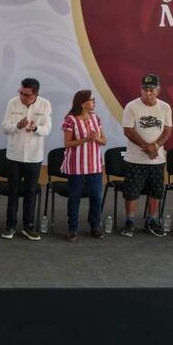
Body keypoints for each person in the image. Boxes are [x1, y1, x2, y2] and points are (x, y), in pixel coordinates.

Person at [121, 73, 172, 237]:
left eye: (151, 89)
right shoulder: (131, 106)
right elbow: (128, 130)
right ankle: (129, 221)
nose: (147, 93)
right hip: (135, 158)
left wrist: (155, 145)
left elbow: (167, 130)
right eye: (144, 89)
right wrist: (146, 146)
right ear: (140, 89)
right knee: (132, 192)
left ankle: (151, 220)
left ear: (158, 90)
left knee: (155, 191)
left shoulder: (165, 107)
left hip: (157, 159)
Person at [1, 77, 51, 240]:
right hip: (14, 155)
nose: (22, 97)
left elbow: (47, 128)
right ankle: (10, 225)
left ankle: (28, 226)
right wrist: (17, 126)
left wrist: (36, 127)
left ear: (35, 94)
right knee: (13, 192)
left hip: (34, 156)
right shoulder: (12, 103)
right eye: (21, 92)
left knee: (30, 192)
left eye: (26, 94)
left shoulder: (45, 104)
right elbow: (5, 127)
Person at [60, 90, 106, 241]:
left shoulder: (96, 118)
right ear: (82, 103)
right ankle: (73, 228)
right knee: (75, 196)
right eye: (91, 100)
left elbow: (104, 141)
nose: (94, 102)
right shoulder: (70, 120)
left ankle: (95, 226)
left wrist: (96, 139)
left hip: (94, 165)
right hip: (76, 165)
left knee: (96, 196)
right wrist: (85, 139)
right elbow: (67, 143)